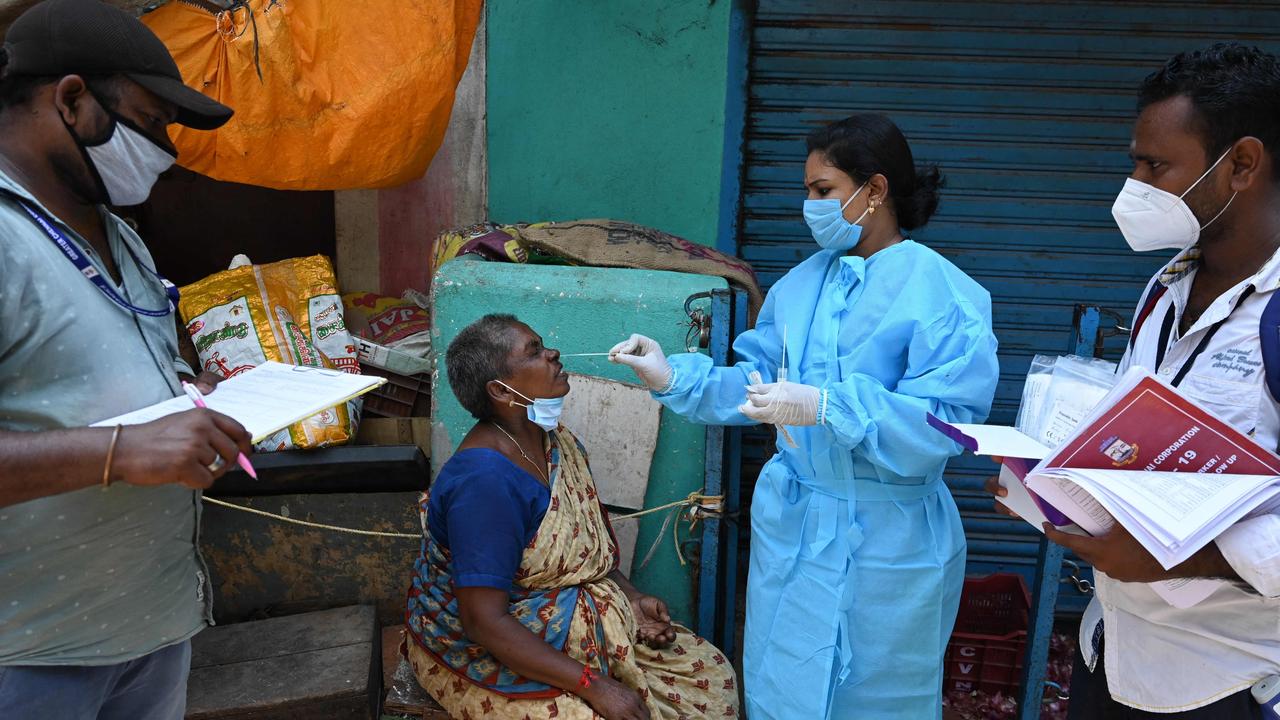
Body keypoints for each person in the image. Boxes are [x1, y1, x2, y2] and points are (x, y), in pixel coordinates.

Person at [610, 114, 1000, 719]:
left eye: (825, 191)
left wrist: (829, 406)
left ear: (875, 191)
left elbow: (947, 422)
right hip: (795, 523)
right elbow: (757, 384)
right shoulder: (800, 286)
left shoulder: (944, 294)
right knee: (782, 682)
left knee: (877, 694)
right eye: (808, 190)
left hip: (890, 539)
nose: (809, 205)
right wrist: (674, 377)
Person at [988, 43, 1280, 719]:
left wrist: (1188, 560)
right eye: (1136, 164)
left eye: (1156, 166)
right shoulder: (1166, 286)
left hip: (1226, 682)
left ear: (1241, 164)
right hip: (1115, 655)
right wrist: (1052, 488)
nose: (1136, 188)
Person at [0, 1, 251, 718]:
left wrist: (186, 393)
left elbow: (98, 372)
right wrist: (121, 450)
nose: (164, 147)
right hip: (30, 655)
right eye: (150, 121)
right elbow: (121, 443)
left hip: (150, 629)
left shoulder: (118, 235)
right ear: (73, 99)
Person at [404, 314, 739, 720]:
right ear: (500, 390)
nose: (553, 353)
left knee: (712, 678)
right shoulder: (484, 482)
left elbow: (582, 550)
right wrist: (594, 686)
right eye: (534, 352)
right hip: (485, 648)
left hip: (572, 630)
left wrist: (633, 600)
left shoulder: (556, 443)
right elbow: (483, 621)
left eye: (543, 344)